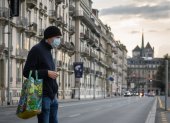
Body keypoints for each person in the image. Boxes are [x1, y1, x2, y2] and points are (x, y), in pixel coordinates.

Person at [23, 26, 62, 123]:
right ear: (49, 37)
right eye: (57, 37)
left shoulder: (48, 50)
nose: (59, 40)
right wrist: (46, 73)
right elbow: (27, 72)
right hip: (42, 96)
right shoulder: (37, 50)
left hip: (52, 96)